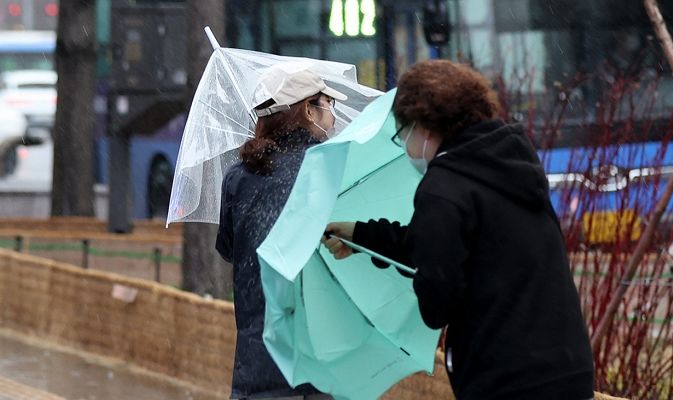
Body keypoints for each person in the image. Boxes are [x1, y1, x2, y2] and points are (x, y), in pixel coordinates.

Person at [323, 60, 594, 400]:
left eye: (403, 134)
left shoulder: (443, 188)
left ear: (424, 127)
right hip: (566, 367)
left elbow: (437, 302)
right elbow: (459, 245)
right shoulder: (507, 163)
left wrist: (424, 280)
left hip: (505, 378)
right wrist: (360, 235)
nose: (407, 147)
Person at [216, 63, 344, 400]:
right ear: (308, 108)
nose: (332, 113)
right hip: (320, 359)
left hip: (259, 362)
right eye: (329, 103)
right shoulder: (331, 169)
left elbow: (230, 249)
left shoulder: (238, 178)